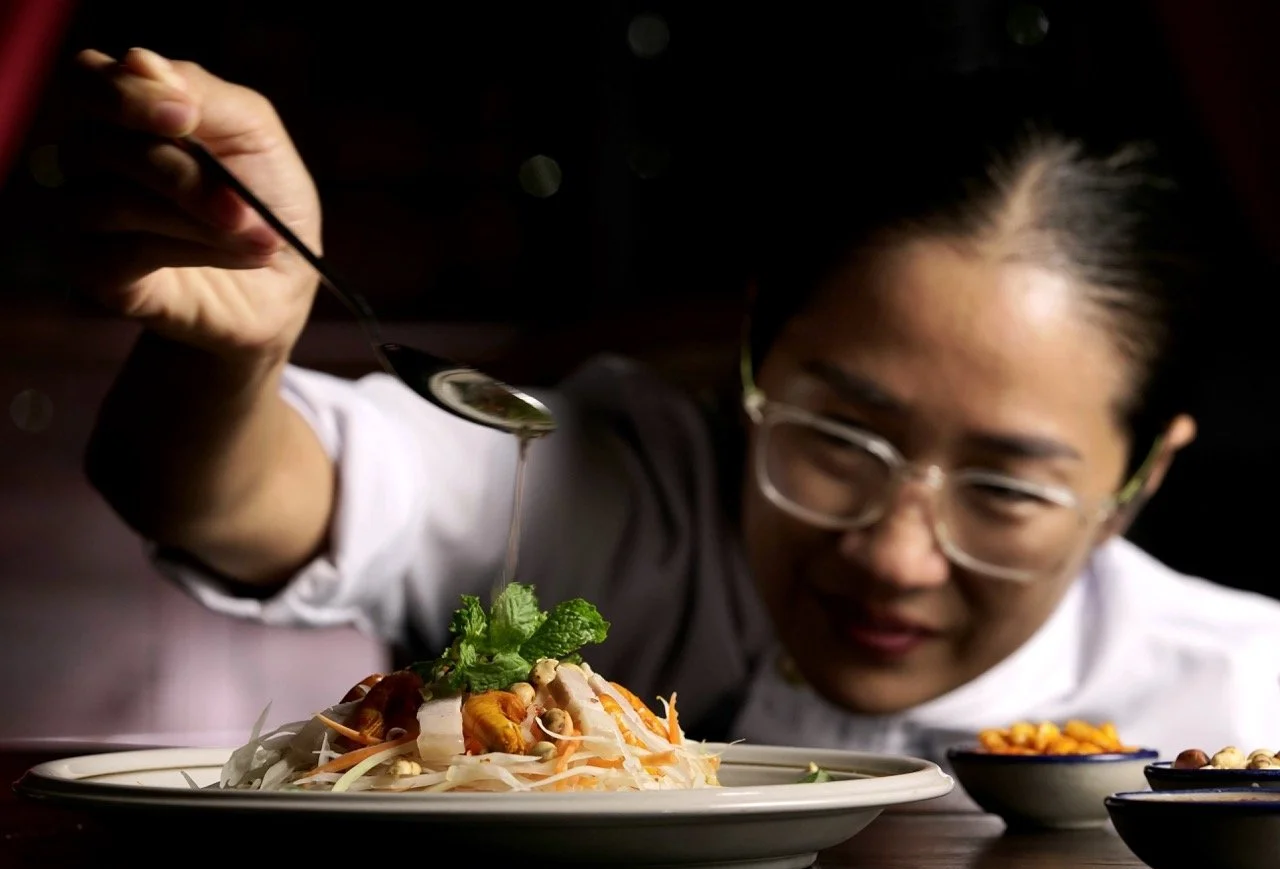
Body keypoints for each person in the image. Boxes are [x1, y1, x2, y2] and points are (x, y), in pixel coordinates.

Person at [68, 46, 1280, 765]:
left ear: (1137, 481)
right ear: (753, 362)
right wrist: (234, 349)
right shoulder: (616, 488)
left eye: (1008, 487)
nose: (893, 557)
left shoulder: (1240, 694)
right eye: (839, 438)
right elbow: (234, 492)